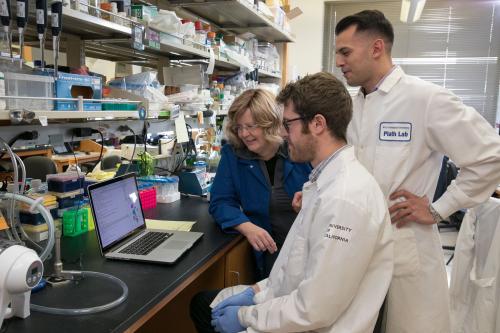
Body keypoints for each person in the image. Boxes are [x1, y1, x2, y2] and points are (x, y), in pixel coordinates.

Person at [334, 10, 500, 333]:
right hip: (354, 246)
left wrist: (439, 208)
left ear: (376, 48)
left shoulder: (425, 99)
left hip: (405, 243)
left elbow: (490, 156)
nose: (339, 62)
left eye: (345, 52)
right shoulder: (350, 106)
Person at [191, 73, 393, 333]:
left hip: (315, 323)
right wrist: (257, 291)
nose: (283, 134)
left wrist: (245, 316)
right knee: (203, 305)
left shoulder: (343, 199)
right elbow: (295, 267)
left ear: (318, 124)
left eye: (288, 124)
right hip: (298, 304)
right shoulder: (321, 184)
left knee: (205, 309)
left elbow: (313, 309)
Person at [209, 88, 311, 278]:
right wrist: (246, 226)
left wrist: (311, 198)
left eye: (251, 126)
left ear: (270, 123)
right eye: (239, 127)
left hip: (306, 250)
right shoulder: (234, 155)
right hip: (269, 253)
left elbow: (326, 190)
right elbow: (220, 202)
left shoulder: (298, 150)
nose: (244, 134)